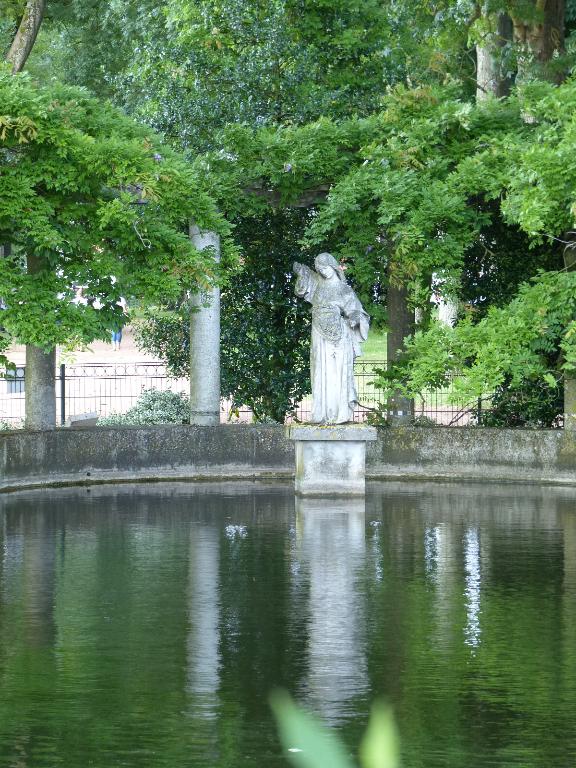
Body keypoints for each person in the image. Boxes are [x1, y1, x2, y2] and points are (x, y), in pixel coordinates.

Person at [293, 253, 369, 424]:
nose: (323, 271)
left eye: (325, 267)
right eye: (319, 269)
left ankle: (339, 413)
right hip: (318, 335)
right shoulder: (317, 284)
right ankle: (321, 413)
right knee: (320, 371)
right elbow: (300, 290)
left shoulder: (344, 290)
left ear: (333, 266)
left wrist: (354, 318)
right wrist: (301, 273)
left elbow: (358, 312)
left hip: (339, 337)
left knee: (337, 373)